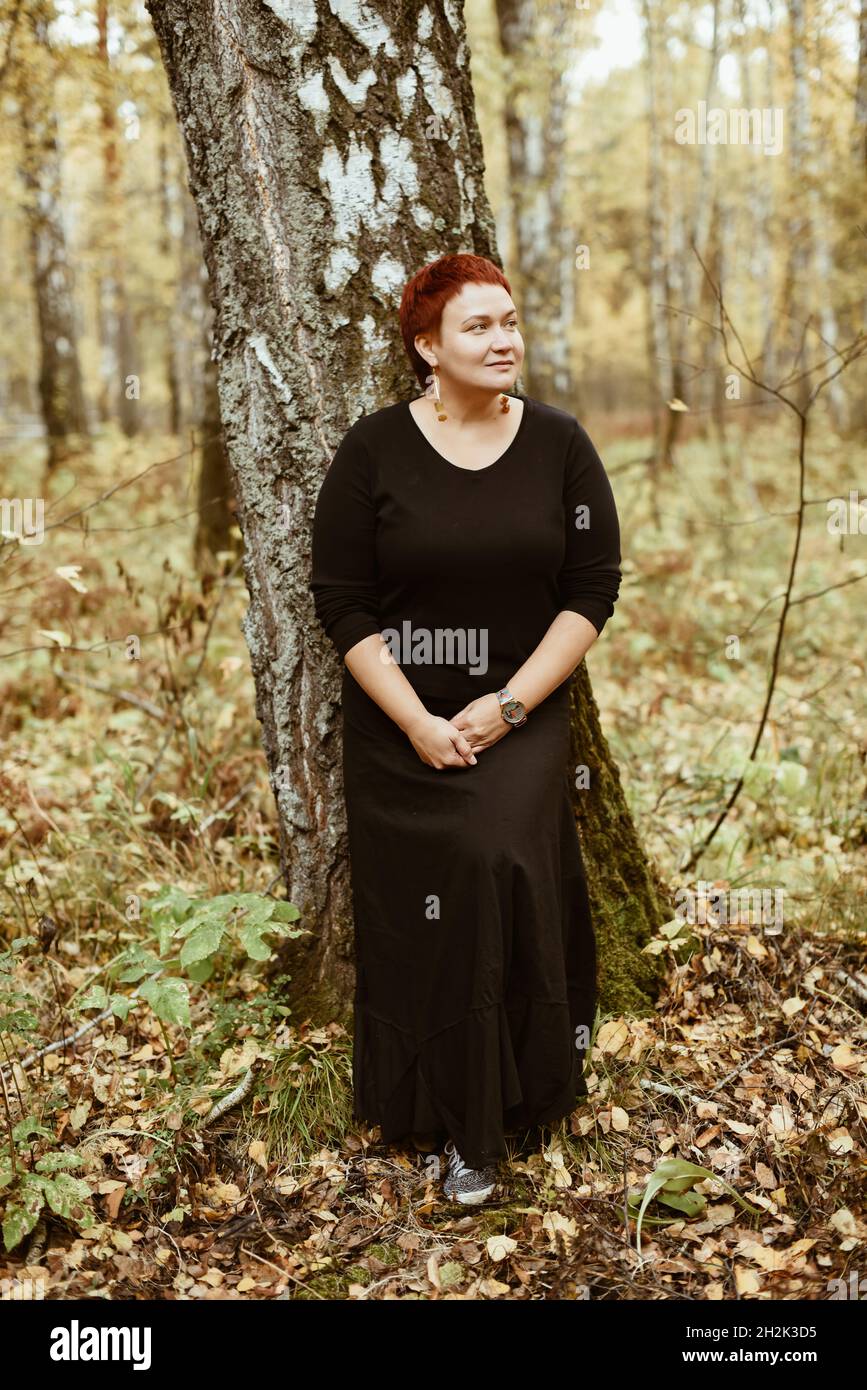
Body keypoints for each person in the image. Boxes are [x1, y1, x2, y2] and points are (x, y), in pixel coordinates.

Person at [310, 252, 622, 1205]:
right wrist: (413, 721)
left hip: (518, 715)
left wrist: (509, 707)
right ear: (425, 348)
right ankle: (420, 1097)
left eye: (511, 321)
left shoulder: (559, 445)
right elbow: (344, 604)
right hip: (397, 723)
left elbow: (589, 593)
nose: (504, 341)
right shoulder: (371, 452)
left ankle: (486, 1122)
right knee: (423, 904)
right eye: (479, 327)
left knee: (490, 856)